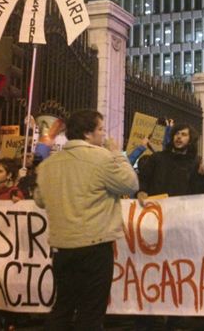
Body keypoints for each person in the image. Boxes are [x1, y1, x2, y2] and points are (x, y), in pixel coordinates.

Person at [34, 110, 138, 330]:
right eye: (100, 129)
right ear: (88, 133)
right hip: (94, 246)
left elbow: (40, 200)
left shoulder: (49, 165)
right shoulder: (102, 157)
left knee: (63, 306)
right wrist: (117, 153)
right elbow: (130, 184)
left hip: (62, 247)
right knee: (91, 311)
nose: (104, 134)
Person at [137, 123, 201, 202]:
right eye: (176, 133)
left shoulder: (194, 164)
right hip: (155, 209)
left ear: (190, 140)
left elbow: (196, 191)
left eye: (184, 134)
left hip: (179, 210)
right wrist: (141, 191)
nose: (179, 137)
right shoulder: (157, 158)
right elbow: (143, 178)